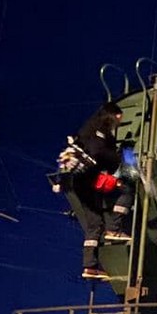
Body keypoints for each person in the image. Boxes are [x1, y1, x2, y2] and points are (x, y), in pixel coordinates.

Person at [62, 102, 134, 280]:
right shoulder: (100, 131)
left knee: (94, 224)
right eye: (119, 117)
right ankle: (114, 229)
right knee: (126, 190)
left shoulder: (87, 128)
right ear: (113, 115)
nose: (120, 121)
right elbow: (102, 153)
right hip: (92, 180)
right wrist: (120, 157)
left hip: (77, 182)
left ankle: (90, 267)